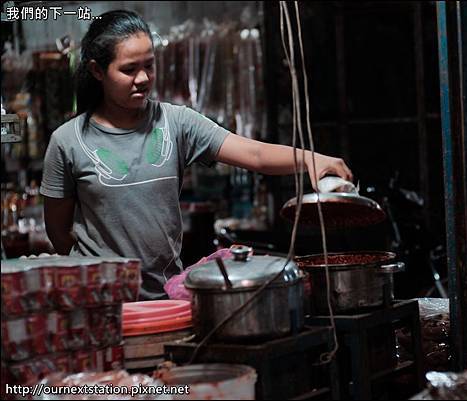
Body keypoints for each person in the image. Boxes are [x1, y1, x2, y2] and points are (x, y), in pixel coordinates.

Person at [40, 10, 352, 300]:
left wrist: (311, 158)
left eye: (149, 65)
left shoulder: (177, 122)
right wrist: (99, 277)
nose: (143, 78)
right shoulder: (68, 141)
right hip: (102, 305)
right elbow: (58, 231)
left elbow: (254, 153)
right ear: (97, 71)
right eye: (129, 70)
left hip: (166, 298)